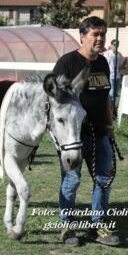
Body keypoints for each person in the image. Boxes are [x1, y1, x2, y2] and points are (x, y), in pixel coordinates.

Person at [52, 16, 120, 247]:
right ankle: (67, 227)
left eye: (103, 34)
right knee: (71, 181)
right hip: (74, 137)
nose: (100, 38)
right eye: (95, 34)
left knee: (104, 180)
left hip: (100, 134)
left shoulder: (103, 62)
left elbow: (106, 98)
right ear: (82, 36)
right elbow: (56, 102)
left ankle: (97, 226)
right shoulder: (67, 63)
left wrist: (110, 127)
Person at [102, 39, 125, 104]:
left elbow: (121, 64)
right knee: (111, 93)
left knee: (115, 93)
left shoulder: (119, 54)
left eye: (117, 44)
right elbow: (105, 64)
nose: (116, 46)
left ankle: (113, 107)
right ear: (111, 45)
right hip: (110, 76)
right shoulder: (108, 53)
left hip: (117, 76)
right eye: (114, 44)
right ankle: (110, 109)